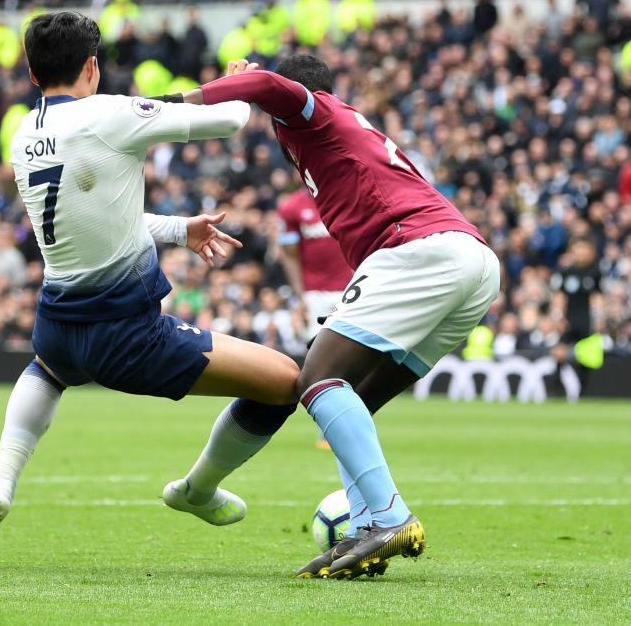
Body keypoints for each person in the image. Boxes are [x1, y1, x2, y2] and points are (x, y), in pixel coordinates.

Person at [0, 12, 302, 561]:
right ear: (92, 65)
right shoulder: (108, 114)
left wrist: (179, 230)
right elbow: (232, 119)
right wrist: (235, 80)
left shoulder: (24, 133)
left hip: (58, 324)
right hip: (126, 333)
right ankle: (196, 489)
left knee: (46, 371)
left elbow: (101, 217)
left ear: (32, 72)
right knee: (284, 381)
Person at [160, 56, 500, 579]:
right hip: (470, 260)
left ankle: (390, 517)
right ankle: (368, 527)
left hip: (419, 249)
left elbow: (269, 85)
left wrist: (169, 105)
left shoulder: (313, 115)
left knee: (315, 378)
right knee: (352, 397)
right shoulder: (330, 132)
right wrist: (235, 87)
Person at [276, 187, 353, 450]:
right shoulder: (292, 207)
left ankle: (345, 426)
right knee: (320, 364)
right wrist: (300, 298)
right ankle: (327, 429)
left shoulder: (346, 195)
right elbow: (289, 255)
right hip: (314, 294)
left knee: (352, 360)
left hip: (353, 288)